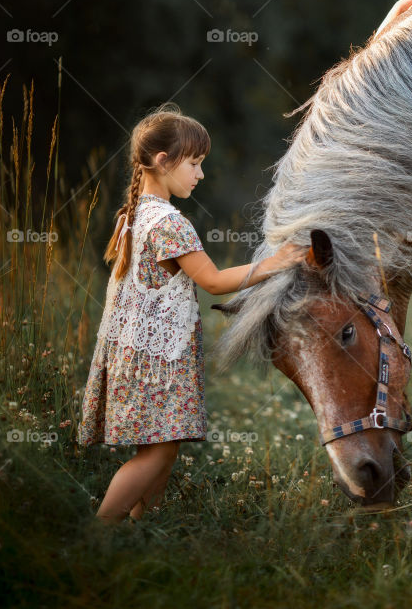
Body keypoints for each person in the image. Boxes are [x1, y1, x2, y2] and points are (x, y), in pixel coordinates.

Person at [77, 103, 304, 523]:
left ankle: (143, 529)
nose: (200, 174)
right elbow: (213, 281)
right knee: (158, 449)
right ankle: (102, 532)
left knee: (164, 445)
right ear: (163, 162)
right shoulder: (168, 223)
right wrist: (276, 262)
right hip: (156, 359)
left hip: (138, 352)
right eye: (195, 164)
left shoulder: (132, 217)